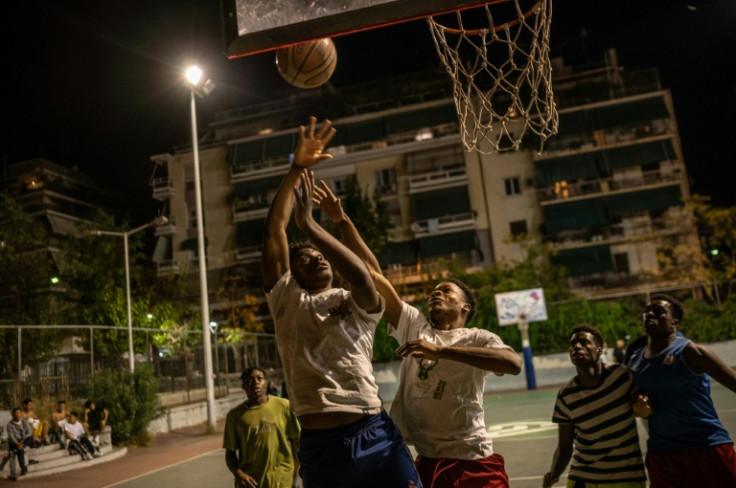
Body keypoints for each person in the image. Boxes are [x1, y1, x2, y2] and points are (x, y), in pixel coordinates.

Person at [312, 179, 522, 488]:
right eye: (434, 292)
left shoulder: (478, 336)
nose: (436, 294)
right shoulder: (415, 324)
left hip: (472, 458)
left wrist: (442, 352)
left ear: (464, 307)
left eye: (446, 291)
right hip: (425, 460)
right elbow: (374, 275)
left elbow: (513, 363)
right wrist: (342, 222)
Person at [261, 117, 421, 488]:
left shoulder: (355, 302)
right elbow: (273, 230)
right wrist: (298, 167)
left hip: (373, 430)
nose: (316, 257)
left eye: (321, 255)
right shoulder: (287, 299)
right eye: (305, 258)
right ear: (292, 273)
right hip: (320, 444)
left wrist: (313, 227)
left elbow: (365, 276)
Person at [627, 294, 736, 487]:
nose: (650, 314)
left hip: (706, 446)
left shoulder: (691, 351)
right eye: (647, 311)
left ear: (674, 322)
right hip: (663, 453)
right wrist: (638, 405)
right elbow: (631, 400)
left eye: (659, 312)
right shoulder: (635, 360)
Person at [543, 324, 646, 488]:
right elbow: (564, 445)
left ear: (600, 349)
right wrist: (554, 474)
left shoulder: (622, 377)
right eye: (573, 344)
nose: (577, 347)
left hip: (626, 476)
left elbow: (645, 406)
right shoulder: (566, 395)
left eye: (584, 342)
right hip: (583, 477)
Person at [224, 367, 301, 488]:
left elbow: (296, 442)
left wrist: (296, 475)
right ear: (244, 386)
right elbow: (230, 452)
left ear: (266, 383)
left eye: (259, 378)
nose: (255, 382)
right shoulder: (235, 416)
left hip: (282, 480)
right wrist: (239, 474)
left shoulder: (283, 406)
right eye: (250, 379)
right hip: (251, 482)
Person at [6, 407, 32, 479]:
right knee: (20, 449)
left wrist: (22, 440)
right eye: (16, 413)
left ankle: (22, 445)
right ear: (13, 415)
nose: (18, 415)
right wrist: (18, 444)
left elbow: (29, 432)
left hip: (23, 439)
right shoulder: (10, 425)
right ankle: (23, 468)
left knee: (30, 438)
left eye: (19, 413)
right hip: (15, 442)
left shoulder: (24, 422)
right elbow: (11, 437)